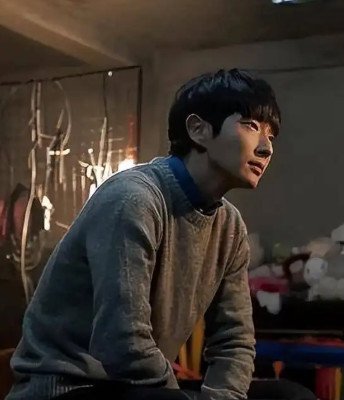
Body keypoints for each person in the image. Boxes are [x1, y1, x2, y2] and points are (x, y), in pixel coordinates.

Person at [7, 69, 281, 400]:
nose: (266, 148)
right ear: (198, 129)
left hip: (139, 387)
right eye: (251, 126)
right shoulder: (134, 199)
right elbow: (121, 341)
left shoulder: (230, 226)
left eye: (271, 135)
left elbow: (234, 339)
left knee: (288, 395)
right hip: (67, 386)